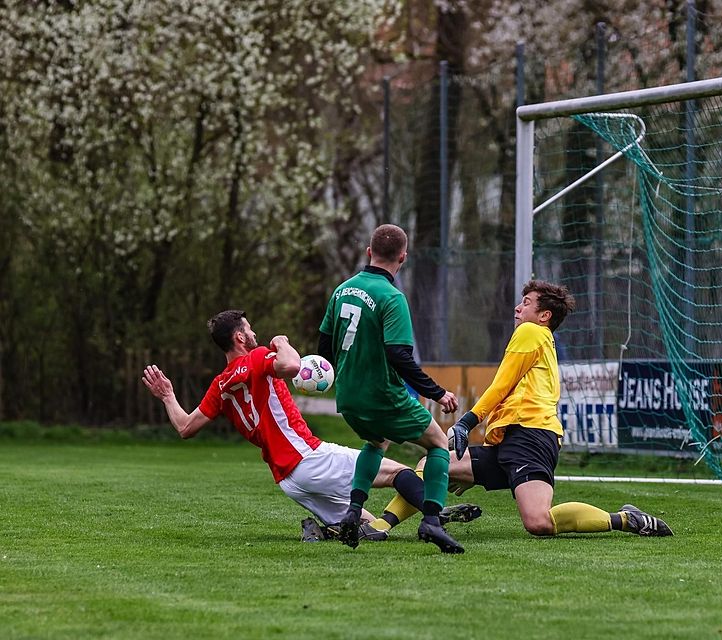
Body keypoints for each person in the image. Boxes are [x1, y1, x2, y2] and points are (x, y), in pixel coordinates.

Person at [141, 309, 479, 543]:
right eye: (250, 329)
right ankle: (435, 516)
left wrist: (168, 395)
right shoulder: (257, 357)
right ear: (241, 336)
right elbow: (291, 366)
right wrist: (280, 341)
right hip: (307, 456)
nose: (254, 333)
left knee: (365, 526)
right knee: (397, 472)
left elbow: (185, 427)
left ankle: (325, 529)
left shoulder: (221, 384)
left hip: (288, 480)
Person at [444, 280, 674, 538]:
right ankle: (425, 517)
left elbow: (501, 385)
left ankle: (626, 519)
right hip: (512, 439)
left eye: (526, 303)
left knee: (539, 522)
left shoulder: (531, 331)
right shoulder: (540, 340)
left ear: (544, 316)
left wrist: (466, 422)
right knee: (435, 463)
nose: (518, 308)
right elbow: (510, 393)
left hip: (529, 436)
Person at [317, 224, 464, 553]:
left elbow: (324, 349)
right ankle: (432, 520)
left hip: (349, 397)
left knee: (376, 441)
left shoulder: (342, 291)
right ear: (403, 257)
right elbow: (399, 355)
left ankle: (353, 512)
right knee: (439, 443)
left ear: (369, 252)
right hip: (382, 395)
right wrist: (437, 392)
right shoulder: (392, 297)